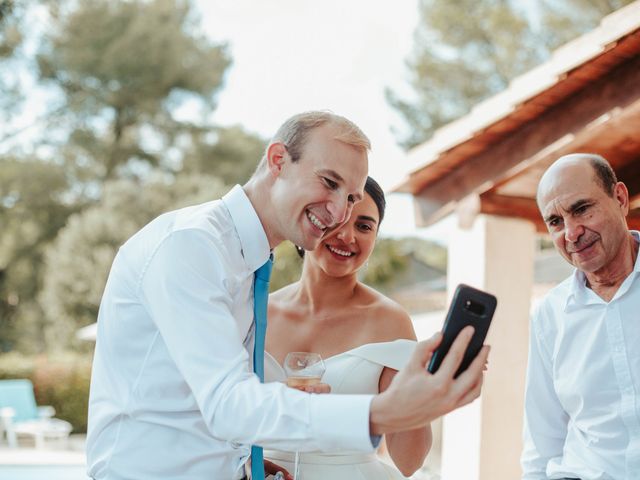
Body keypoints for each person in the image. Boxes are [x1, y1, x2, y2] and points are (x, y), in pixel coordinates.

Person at [86, 111, 489, 480]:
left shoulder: (248, 264)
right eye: (329, 182)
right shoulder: (193, 246)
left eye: (350, 198)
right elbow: (228, 404)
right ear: (278, 160)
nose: (338, 213)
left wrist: (247, 464)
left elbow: (195, 404)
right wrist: (382, 412)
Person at [263, 176, 431, 480]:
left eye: (364, 226)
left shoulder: (390, 321)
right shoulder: (259, 311)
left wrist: (422, 391)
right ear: (311, 220)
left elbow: (410, 461)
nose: (348, 236)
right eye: (339, 219)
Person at [522, 153, 640, 479]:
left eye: (581, 209)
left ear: (620, 198)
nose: (572, 233)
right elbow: (541, 441)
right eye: (556, 222)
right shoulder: (549, 316)